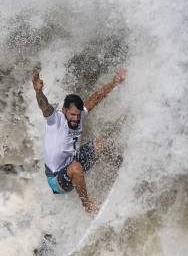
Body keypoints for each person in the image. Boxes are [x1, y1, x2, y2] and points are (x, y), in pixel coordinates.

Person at [31, 68, 126, 214]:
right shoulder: (55, 119)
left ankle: (120, 170)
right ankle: (87, 205)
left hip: (72, 162)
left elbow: (96, 97)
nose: (76, 118)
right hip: (56, 178)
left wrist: (114, 83)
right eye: (72, 115)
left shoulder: (80, 115)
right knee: (75, 167)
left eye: (78, 114)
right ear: (64, 111)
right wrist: (38, 92)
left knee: (104, 143)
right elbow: (45, 107)